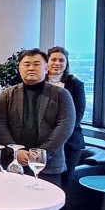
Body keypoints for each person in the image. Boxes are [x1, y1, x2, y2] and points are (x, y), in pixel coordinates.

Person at [0, 48, 74, 210]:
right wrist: (13, 149)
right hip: (16, 163)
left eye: (37, 64)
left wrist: (41, 153)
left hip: (48, 164)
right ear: (19, 68)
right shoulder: (7, 94)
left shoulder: (60, 95)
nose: (31, 68)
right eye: (26, 64)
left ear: (46, 67)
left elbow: (65, 126)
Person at [46, 46, 86, 185]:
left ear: (66, 63)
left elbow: (78, 115)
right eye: (54, 59)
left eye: (61, 60)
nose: (57, 63)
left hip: (70, 142)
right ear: (47, 61)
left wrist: (60, 132)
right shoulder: (38, 83)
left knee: (65, 182)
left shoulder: (76, 85)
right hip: (43, 140)